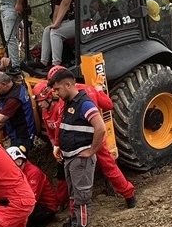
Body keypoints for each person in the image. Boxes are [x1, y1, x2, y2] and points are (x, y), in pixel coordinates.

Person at [34, 72, 136, 209]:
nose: (56, 92)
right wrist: (99, 90)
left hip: (79, 142)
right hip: (95, 139)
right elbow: (108, 105)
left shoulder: (67, 100)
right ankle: (128, 194)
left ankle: (66, 208)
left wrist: (57, 144)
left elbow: (60, 124)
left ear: (65, 83)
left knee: (71, 177)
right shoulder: (87, 90)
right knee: (109, 167)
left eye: (57, 88)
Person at [49, 67, 106, 227]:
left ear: (68, 84)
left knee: (81, 199)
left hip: (80, 159)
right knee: (74, 197)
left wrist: (91, 150)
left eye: (57, 89)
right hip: (70, 158)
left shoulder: (84, 104)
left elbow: (101, 128)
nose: (55, 93)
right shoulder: (69, 102)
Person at [6, 146, 61, 227]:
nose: (18, 165)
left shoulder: (33, 173)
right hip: (33, 204)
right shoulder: (18, 173)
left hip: (46, 207)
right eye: (14, 164)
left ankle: (45, 221)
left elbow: (31, 198)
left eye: (19, 162)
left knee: (19, 225)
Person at [0, 71, 36, 152]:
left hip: (22, 136)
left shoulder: (13, 99)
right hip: (15, 130)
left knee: (15, 161)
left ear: (4, 84)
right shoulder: (14, 85)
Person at [38, 0, 76, 68]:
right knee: (47, 30)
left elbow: (65, 3)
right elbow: (57, 10)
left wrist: (57, 24)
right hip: (70, 22)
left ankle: (56, 64)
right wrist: (54, 23)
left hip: (81, 21)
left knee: (56, 33)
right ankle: (43, 62)